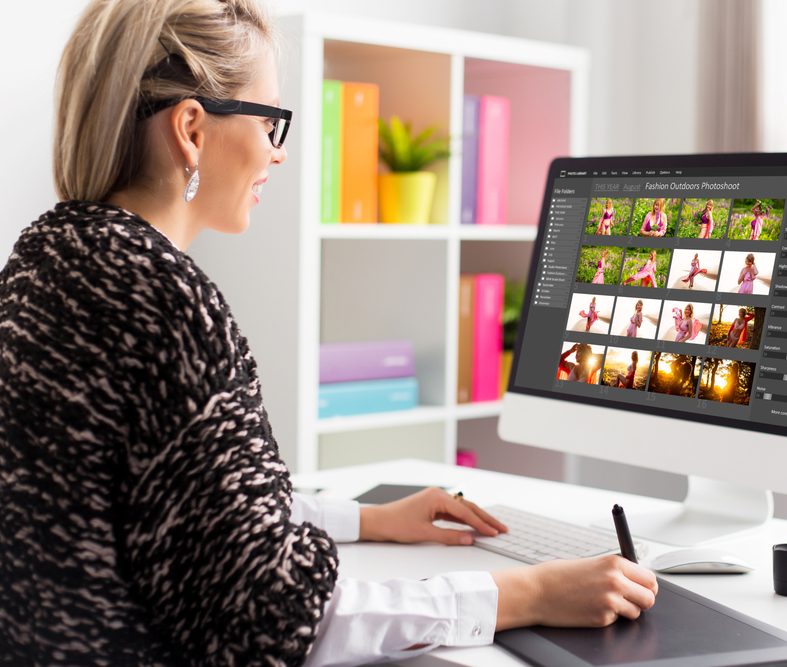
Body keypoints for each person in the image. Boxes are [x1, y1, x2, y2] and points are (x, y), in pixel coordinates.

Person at [0, 1, 658, 664]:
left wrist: (367, 520)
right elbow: (271, 617)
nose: (278, 154)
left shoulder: (45, 258)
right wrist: (524, 592)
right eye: (270, 122)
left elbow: (188, 506)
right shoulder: (164, 299)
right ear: (192, 130)